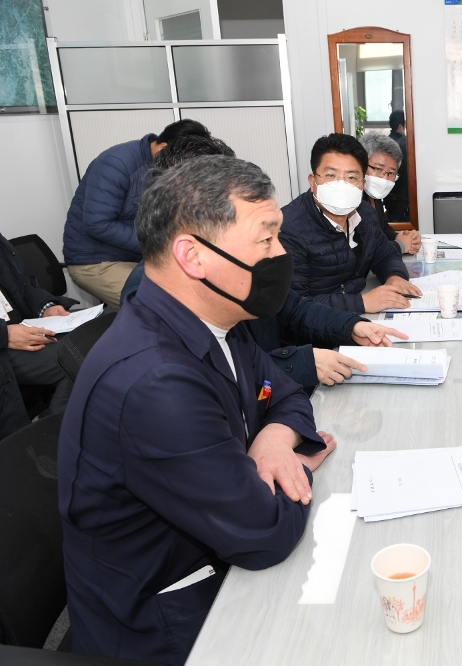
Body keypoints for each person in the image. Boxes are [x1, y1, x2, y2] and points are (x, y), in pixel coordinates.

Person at [59, 156, 335, 665]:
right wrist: (294, 465)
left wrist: (274, 440)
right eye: (266, 238)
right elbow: (264, 533)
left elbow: (288, 390)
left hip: (214, 568)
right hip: (168, 624)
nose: (281, 252)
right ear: (193, 255)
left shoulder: (219, 321)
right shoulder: (155, 381)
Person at [121, 135, 408, 388]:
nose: (278, 252)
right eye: (264, 239)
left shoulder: (229, 265)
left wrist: (351, 326)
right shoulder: (151, 295)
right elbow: (215, 379)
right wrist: (301, 365)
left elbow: (291, 309)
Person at [63, 119, 212, 307]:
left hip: (139, 258)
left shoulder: (164, 166)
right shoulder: (117, 163)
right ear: (164, 148)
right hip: (96, 263)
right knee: (168, 306)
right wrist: (160, 244)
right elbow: (97, 224)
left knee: (203, 291)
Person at [280, 133, 422, 314]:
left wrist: (394, 276)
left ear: (362, 183)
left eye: (351, 177)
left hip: (354, 317)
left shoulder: (365, 213)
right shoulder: (288, 228)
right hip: (316, 333)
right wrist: (361, 302)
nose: (342, 185)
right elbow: (294, 305)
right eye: (331, 175)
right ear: (313, 181)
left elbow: (385, 255)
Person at [0, 233, 78, 438]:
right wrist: (5, 334)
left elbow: (22, 286)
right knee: (74, 358)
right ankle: (46, 439)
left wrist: (46, 307)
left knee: (107, 324)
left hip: (23, 327)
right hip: (5, 344)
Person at [359, 132, 421, 255]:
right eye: (378, 169)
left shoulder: (375, 197)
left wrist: (400, 237)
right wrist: (401, 245)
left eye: (391, 173)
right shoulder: (351, 200)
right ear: (360, 164)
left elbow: (383, 229)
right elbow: (365, 252)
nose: (384, 178)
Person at [385, 110, 409, 222]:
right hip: (402, 197)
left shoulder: (386, 142)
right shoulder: (405, 144)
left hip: (389, 196)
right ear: (400, 126)